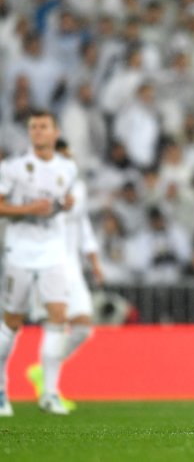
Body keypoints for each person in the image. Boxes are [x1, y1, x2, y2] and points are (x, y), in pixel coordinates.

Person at [0, 110, 78, 416]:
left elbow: (57, 205)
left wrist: (62, 206)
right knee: (12, 321)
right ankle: (1, 392)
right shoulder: (13, 167)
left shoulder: (68, 168)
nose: (38, 132)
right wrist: (29, 208)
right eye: (33, 127)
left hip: (53, 249)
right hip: (20, 248)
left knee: (58, 316)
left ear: (55, 132)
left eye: (43, 126)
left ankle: (49, 393)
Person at [26, 138, 104, 411]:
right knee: (56, 326)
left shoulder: (78, 188)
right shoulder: (37, 189)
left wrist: (94, 261)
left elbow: (83, 226)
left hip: (73, 266)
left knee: (83, 328)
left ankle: (42, 371)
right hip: (49, 265)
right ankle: (50, 392)